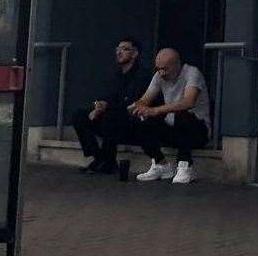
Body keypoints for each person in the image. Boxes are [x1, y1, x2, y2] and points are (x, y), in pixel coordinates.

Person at [69, 36, 155, 174]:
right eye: (117, 49)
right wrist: (97, 106)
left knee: (111, 115)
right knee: (78, 115)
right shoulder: (116, 75)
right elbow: (104, 97)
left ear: (135, 53)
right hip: (111, 121)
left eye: (124, 49)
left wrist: (106, 107)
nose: (119, 52)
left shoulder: (142, 76)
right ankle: (100, 158)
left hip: (131, 124)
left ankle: (106, 161)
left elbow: (133, 103)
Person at [129, 47, 210, 184]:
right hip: (173, 129)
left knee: (182, 115)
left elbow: (188, 102)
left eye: (165, 69)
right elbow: (146, 99)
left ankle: (185, 165)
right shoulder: (159, 75)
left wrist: (155, 110)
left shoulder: (192, 73)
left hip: (197, 130)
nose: (161, 72)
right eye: (158, 68)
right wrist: (138, 106)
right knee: (141, 118)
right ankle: (161, 164)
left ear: (177, 65)